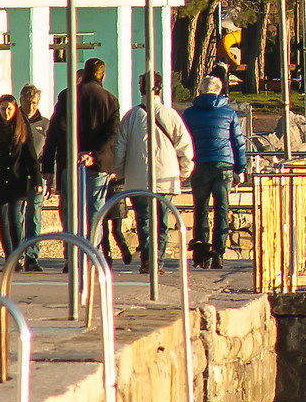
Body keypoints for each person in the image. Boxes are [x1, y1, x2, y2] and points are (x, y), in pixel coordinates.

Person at [41, 59, 123, 254]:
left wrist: (48, 165)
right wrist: (93, 153)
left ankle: (72, 253)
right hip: (99, 164)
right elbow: (112, 133)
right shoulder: (110, 100)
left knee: (70, 211)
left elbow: (56, 130)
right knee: (95, 212)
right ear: (102, 76)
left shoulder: (67, 96)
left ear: (84, 73)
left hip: (70, 161)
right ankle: (92, 254)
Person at [114, 73, 195, 270]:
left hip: (137, 179)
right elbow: (185, 146)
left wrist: (119, 172)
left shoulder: (131, 116)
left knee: (144, 219)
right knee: (162, 221)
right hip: (166, 178)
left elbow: (119, 149)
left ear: (141, 89)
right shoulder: (170, 115)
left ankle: (147, 258)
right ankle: (158, 259)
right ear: (160, 89)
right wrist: (185, 170)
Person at [180, 71, 246, 269]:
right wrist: (240, 168)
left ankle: (201, 253)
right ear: (220, 91)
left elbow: (184, 141)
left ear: (200, 91)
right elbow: (238, 142)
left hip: (199, 164)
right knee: (222, 208)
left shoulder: (190, 113)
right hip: (224, 165)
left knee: (200, 208)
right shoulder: (229, 113)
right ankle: (219, 252)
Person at [0, 94, 39, 266]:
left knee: (14, 219)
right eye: (3, 108)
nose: (6, 112)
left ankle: (18, 254)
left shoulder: (21, 128)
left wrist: (36, 180)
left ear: (15, 110)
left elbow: (30, 155)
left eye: (10, 109)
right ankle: (9, 257)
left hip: (16, 180)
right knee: (2, 220)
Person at [16, 84, 50, 270]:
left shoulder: (44, 124)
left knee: (34, 216)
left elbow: (49, 150)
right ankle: (17, 255)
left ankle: (32, 256)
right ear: (21, 101)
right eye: (27, 102)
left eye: (34, 103)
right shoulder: (14, 121)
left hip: (36, 177)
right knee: (17, 216)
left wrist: (48, 174)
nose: (31, 107)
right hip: (16, 176)